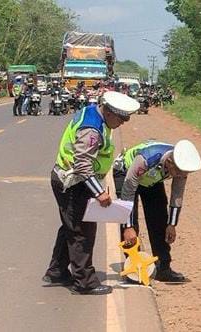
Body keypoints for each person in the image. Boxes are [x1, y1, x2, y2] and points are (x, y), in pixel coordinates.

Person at [43, 91, 139, 295]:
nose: (122, 124)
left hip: (73, 180)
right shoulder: (92, 129)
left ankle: (57, 271)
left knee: (70, 226)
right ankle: (84, 282)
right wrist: (99, 193)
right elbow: (83, 165)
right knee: (82, 232)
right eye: (121, 119)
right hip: (73, 182)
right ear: (110, 113)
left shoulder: (94, 114)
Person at [113, 140, 201, 283]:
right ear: (169, 162)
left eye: (185, 173)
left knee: (160, 219)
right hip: (126, 175)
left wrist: (172, 224)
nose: (180, 175)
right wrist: (128, 226)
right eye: (178, 172)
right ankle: (135, 269)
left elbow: (177, 195)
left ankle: (163, 268)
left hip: (151, 179)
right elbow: (128, 191)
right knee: (130, 227)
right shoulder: (147, 159)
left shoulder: (181, 166)